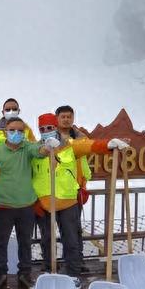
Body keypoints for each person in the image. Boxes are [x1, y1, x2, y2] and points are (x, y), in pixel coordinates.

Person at [32, 113, 129, 288]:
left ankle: (73, 273)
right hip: (44, 203)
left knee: (71, 239)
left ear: (56, 128)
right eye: (42, 129)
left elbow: (90, 145)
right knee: (47, 239)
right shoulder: (35, 150)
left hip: (68, 200)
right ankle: (49, 270)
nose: (46, 132)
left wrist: (108, 144)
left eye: (50, 128)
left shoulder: (71, 146)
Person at [0, 117, 46, 289]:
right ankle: (0, 274)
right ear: (5, 131)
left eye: (20, 131)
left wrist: (49, 146)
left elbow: (40, 151)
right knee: (1, 243)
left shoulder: (27, 147)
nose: (16, 133)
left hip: (26, 205)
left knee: (25, 242)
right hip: (4, 205)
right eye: (12, 130)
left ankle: (25, 274)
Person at [56, 105, 91, 274]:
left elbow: (84, 160)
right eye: (63, 116)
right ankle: (52, 265)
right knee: (54, 231)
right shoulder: (51, 138)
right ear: (57, 119)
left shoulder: (80, 139)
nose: (66, 119)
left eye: (69, 116)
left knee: (74, 230)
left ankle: (76, 264)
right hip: (53, 192)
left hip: (74, 190)